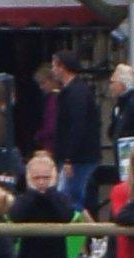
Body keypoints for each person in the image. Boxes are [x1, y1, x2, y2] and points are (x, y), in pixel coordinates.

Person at [51, 50, 101, 211]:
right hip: (75, 158)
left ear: (62, 67)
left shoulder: (76, 93)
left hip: (78, 159)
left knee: (69, 199)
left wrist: (69, 158)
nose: (52, 70)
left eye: (54, 66)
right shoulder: (72, 91)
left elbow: (77, 125)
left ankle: (76, 235)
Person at [33, 64, 59, 155]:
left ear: (53, 80)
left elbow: (52, 126)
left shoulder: (54, 99)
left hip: (52, 147)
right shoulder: (53, 98)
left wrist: (38, 135)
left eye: (43, 83)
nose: (41, 87)